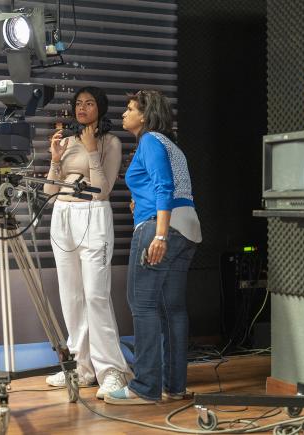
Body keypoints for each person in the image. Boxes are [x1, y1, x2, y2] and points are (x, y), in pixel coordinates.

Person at [105, 90, 201, 405]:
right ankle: (173, 386)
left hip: (161, 229)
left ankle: (144, 387)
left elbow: (164, 186)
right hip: (188, 228)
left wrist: (159, 235)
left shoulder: (150, 141)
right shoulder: (171, 144)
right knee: (171, 308)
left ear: (144, 116)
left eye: (129, 108)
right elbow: (164, 186)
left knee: (142, 304)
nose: (124, 114)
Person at [43, 86, 132, 399]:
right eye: (78, 103)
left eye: (89, 103)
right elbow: (49, 193)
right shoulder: (65, 141)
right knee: (71, 296)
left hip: (93, 215)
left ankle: (111, 371)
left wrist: (92, 149)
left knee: (95, 295)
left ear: (100, 108)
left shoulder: (111, 142)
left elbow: (103, 188)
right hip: (63, 216)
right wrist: (55, 159)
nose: (82, 108)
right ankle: (82, 368)